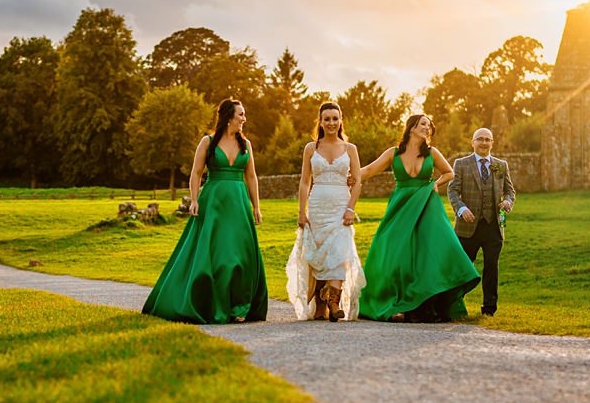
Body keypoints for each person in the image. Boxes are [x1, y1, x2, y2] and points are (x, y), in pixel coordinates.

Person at [142, 98, 268, 324]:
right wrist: (194, 200)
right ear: (229, 116)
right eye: (241, 114)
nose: (244, 118)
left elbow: (251, 176)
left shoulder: (246, 144)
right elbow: (196, 173)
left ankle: (240, 306)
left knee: (241, 255)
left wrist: (256, 205)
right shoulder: (208, 142)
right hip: (214, 203)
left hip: (238, 203)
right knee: (217, 255)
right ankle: (213, 304)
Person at [357, 114, 480, 322]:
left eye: (429, 126)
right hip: (401, 206)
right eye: (423, 124)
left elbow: (449, 173)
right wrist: (342, 175)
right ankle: (393, 301)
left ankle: (426, 305)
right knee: (392, 252)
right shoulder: (393, 153)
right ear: (411, 127)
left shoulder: (432, 152)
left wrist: (435, 183)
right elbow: (369, 170)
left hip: (427, 206)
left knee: (428, 254)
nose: (427, 128)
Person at [286, 101, 367, 321]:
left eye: (335, 118)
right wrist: (302, 212)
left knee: (340, 252)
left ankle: (334, 301)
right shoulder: (311, 148)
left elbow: (358, 181)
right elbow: (304, 182)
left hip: (341, 206)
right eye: (327, 119)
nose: (331, 122)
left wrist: (350, 208)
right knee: (319, 255)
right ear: (320, 122)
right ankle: (321, 301)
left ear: (341, 120)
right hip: (317, 206)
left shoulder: (350, 149)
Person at [448, 128, 516, 317]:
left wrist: (507, 202)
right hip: (467, 227)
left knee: (491, 268)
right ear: (473, 142)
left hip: (494, 227)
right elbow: (452, 191)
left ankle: (489, 309)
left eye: (487, 140)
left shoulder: (501, 165)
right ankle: (453, 306)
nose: (484, 143)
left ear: (492, 143)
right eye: (480, 139)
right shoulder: (461, 164)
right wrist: (461, 209)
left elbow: (510, 191)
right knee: (462, 268)